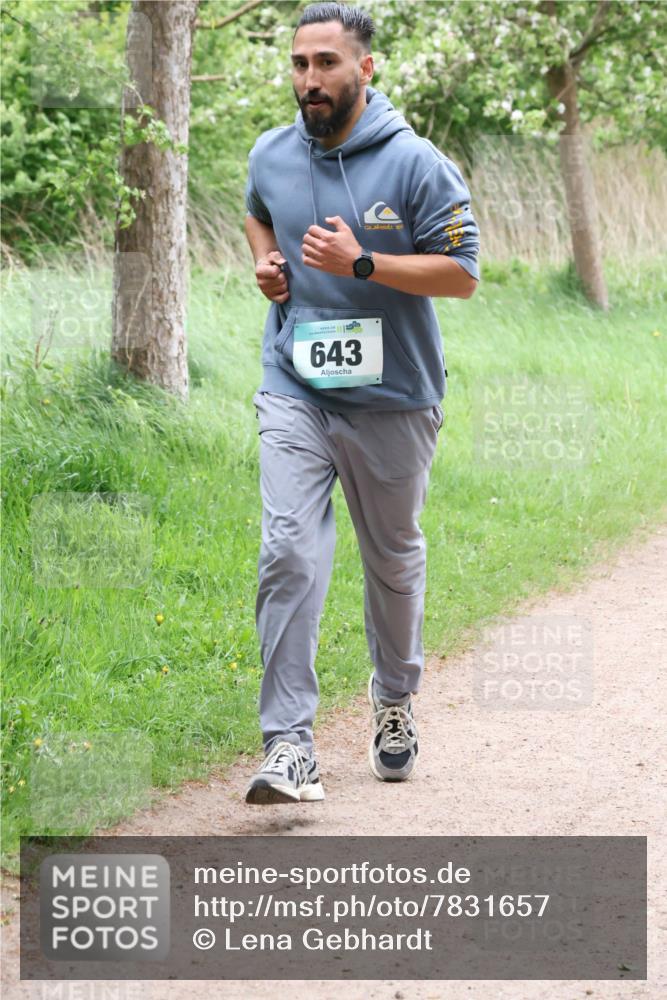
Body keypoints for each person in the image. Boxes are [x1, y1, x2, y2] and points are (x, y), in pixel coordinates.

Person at [243, 2, 480, 805]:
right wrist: (268, 265)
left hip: (393, 397)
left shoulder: (416, 164)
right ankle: (288, 744)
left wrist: (365, 264)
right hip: (296, 387)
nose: (310, 80)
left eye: (326, 64)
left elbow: (463, 273)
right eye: (300, 64)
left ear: (364, 69)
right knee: (287, 551)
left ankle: (393, 702)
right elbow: (257, 210)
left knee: (391, 558)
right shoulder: (272, 154)